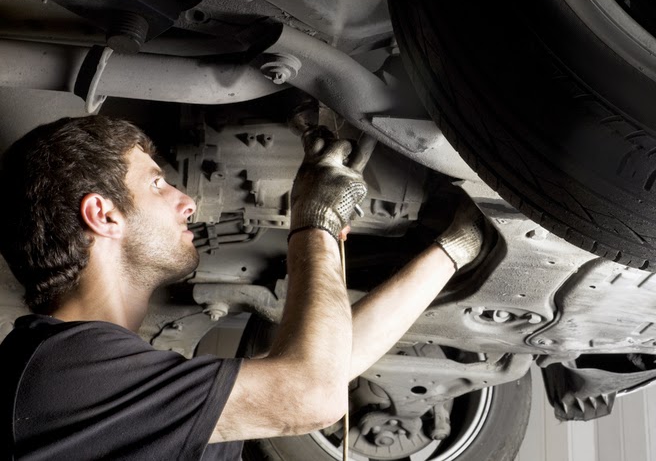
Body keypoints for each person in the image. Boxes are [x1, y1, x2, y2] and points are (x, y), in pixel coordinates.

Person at [0, 115, 483, 460]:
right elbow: (313, 392)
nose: (186, 201)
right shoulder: (63, 374)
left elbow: (330, 370)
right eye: (156, 184)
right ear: (103, 215)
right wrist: (313, 222)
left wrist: (455, 250)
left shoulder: (81, 375)